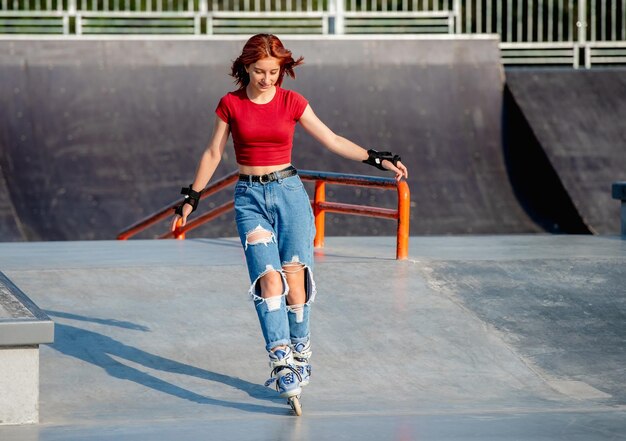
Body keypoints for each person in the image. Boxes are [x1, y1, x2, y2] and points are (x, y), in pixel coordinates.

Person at [170, 34, 408, 414]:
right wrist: (192, 197)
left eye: (275, 71)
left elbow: (331, 139)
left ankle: (301, 347)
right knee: (268, 279)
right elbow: (214, 151)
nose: (268, 79)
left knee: (295, 277)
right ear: (246, 67)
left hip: (290, 194)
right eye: (261, 71)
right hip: (249, 198)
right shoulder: (230, 104)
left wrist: (376, 158)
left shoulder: (291, 101)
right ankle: (281, 359)